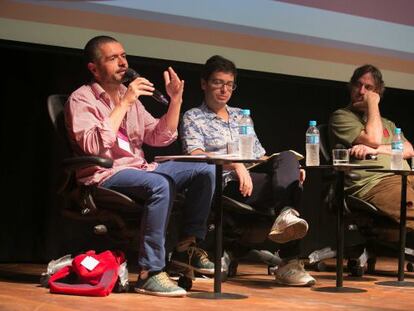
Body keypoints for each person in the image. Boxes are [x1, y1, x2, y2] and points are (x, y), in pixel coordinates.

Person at [65, 35, 216, 297]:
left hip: (142, 169)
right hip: (106, 174)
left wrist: (176, 100)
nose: (122, 63)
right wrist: (124, 104)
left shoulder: (128, 95)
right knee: (161, 183)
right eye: (113, 58)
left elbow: (158, 136)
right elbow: (93, 147)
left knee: (205, 169)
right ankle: (150, 272)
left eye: (123, 56)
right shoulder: (81, 100)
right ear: (94, 68)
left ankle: (185, 249)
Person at [180, 55, 316, 286]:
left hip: (255, 177)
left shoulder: (241, 116)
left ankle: (286, 219)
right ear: (204, 83)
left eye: (230, 84)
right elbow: (195, 155)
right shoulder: (194, 116)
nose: (224, 89)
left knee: (288, 159)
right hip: (226, 183)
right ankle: (289, 262)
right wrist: (235, 164)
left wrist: (290, 169)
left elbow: (259, 154)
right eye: (218, 82)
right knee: (292, 188)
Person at [329, 64, 414, 230]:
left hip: (406, 177)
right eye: (358, 85)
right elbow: (373, 139)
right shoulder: (342, 116)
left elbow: (409, 150)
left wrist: (376, 151)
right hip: (375, 183)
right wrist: (373, 103)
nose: (361, 92)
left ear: (378, 92)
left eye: (368, 88)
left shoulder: (387, 123)